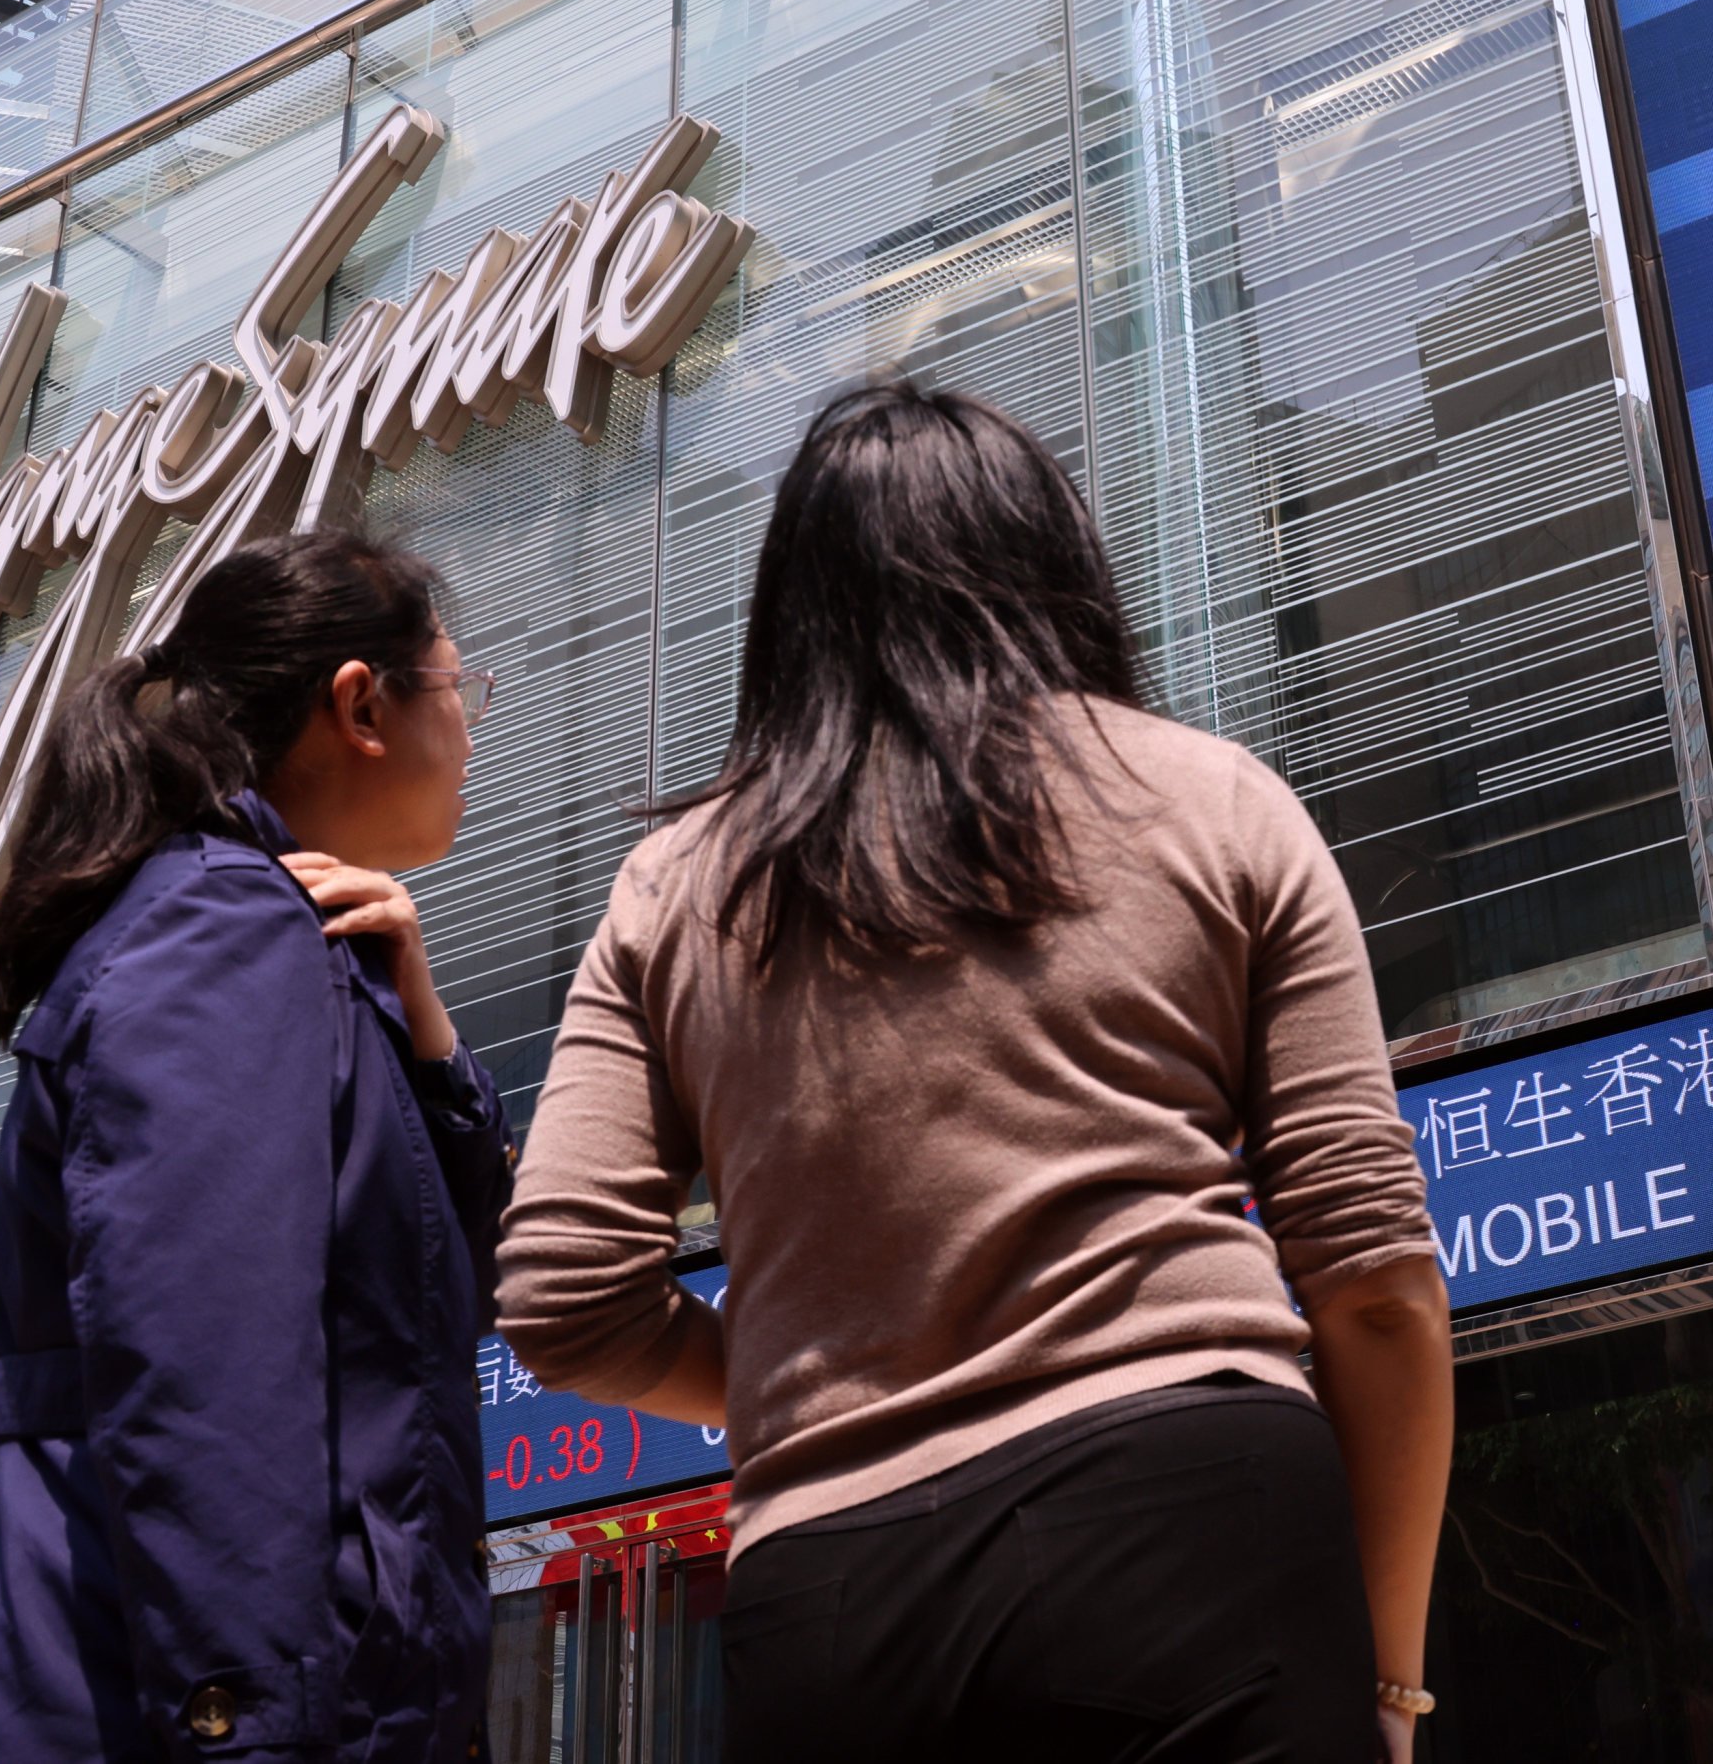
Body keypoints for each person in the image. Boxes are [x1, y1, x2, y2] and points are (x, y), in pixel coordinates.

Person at [497, 380, 1454, 1764]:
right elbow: (1372, 1287)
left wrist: (812, 1381)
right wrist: (1396, 1683)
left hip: (834, 1593)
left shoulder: (674, 890)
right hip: (1199, 1524)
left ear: (788, 614)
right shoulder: (1212, 798)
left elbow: (565, 1301)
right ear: (1057, 562)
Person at [0, 530, 509, 1764]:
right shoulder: (226, 925)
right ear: (361, 703)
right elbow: (202, 1369)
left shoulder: (275, 934)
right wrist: (246, 1729)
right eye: (462, 688)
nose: (475, 730)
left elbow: (490, 1282)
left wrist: (424, 1025)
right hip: (144, 1705)